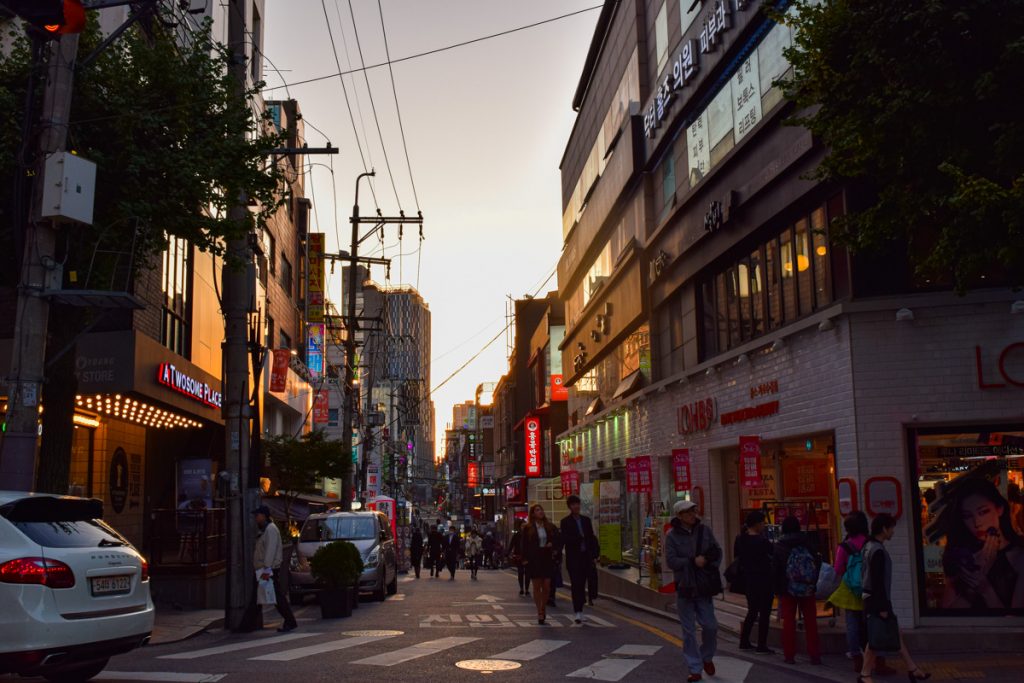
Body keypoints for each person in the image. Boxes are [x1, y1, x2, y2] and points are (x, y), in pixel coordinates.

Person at [859, 514, 931, 683]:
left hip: (872, 598)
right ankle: (865, 674)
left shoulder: (868, 546)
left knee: (892, 634)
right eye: (891, 528)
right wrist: (883, 607)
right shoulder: (877, 550)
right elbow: (877, 581)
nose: (893, 532)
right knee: (876, 637)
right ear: (884, 528)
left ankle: (912, 668)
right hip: (878, 601)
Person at [939, 477, 1024, 609]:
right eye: (968, 516)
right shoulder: (964, 555)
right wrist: (973, 584)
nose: (977, 523)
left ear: (999, 509)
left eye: (983, 512)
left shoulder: (1019, 556)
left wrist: (985, 588)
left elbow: (1013, 624)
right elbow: (949, 616)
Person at [666, 500, 722, 683]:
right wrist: (691, 561)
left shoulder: (704, 531)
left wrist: (706, 561)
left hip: (703, 586)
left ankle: (706, 656)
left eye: (693, 511)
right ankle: (694, 668)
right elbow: (671, 561)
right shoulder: (672, 536)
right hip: (684, 587)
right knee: (688, 630)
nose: (692, 514)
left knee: (711, 626)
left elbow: (717, 552)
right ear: (679, 516)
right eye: (688, 512)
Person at [772, 516, 821, 665]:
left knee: (789, 621)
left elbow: (776, 569)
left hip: (787, 588)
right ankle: (815, 655)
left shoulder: (780, 546)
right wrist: (813, 581)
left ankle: (789, 655)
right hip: (807, 587)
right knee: (811, 621)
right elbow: (817, 562)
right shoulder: (807, 541)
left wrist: (778, 588)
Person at [242, 506, 297, 632]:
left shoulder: (270, 530)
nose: (256, 518)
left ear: (264, 516)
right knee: (262, 597)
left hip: (267, 570)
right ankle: (248, 625)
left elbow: (270, 550)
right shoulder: (267, 529)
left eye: (258, 515)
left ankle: (247, 626)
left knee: (268, 597)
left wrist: (266, 568)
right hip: (265, 569)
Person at [832, 511, 870, 672]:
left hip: (851, 590)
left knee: (852, 624)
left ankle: (857, 659)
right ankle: (877, 659)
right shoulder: (870, 542)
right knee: (871, 624)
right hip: (869, 588)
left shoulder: (845, 546)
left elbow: (838, 568)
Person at [734, 510, 774, 654]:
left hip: (748, 579)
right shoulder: (762, 541)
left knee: (752, 611)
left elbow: (737, 557)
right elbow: (772, 554)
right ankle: (761, 645)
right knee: (764, 613)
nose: (764, 525)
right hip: (764, 579)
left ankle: (744, 641)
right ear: (757, 524)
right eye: (763, 522)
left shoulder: (740, 539)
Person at [560, 494, 599, 623]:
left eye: (577, 504)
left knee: (584, 583)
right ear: (569, 507)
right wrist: (579, 537)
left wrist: (594, 555)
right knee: (576, 585)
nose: (576, 506)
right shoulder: (565, 522)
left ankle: (583, 605)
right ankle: (578, 611)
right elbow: (565, 539)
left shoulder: (586, 520)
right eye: (573, 504)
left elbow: (592, 538)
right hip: (574, 558)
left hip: (586, 557)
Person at [522, 504, 560, 624]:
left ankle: (543, 607)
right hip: (535, 559)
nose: (540, 512)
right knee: (537, 586)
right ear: (533, 514)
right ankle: (540, 611)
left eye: (541, 510)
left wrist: (552, 546)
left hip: (547, 558)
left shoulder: (550, 527)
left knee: (547, 586)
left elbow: (558, 540)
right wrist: (525, 559)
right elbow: (524, 545)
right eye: (537, 510)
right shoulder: (528, 528)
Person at [509, 521, 530, 597]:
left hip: (528, 557)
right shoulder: (516, 535)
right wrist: (508, 553)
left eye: (525, 526)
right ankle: (521, 588)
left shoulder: (529, 535)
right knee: (520, 572)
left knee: (528, 574)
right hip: (518, 556)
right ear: (520, 527)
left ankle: (527, 589)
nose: (523, 527)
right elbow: (511, 544)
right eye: (522, 526)